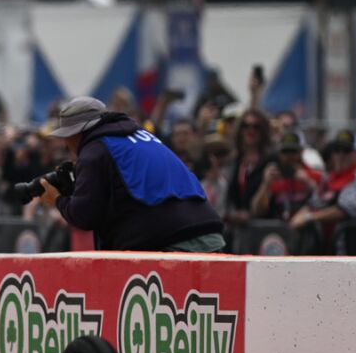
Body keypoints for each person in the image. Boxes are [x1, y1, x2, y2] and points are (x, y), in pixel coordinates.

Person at [36, 96, 225, 252]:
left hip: (175, 244)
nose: (64, 144)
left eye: (66, 136)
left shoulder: (94, 150)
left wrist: (57, 199)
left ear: (77, 132)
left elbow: (84, 216)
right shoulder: (139, 135)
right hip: (210, 235)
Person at [289, 130, 356, 253]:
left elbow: (342, 211)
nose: (340, 155)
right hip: (323, 250)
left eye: (346, 151)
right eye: (337, 150)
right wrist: (295, 221)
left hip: (350, 252)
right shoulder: (328, 179)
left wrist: (308, 217)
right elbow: (313, 203)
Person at [251, 131, 321, 222]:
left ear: (301, 152)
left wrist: (308, 183)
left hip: (305, 228)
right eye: (285, 151)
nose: (289, 156)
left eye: (293, 151)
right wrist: (265, 184)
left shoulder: (313, 175)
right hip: (278, 229)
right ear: (279, 153)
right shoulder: (273, 177)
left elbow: (323, 203)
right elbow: (257, 211)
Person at [222, 109, 273, 231]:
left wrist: (249, 215)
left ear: (263, 131)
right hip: (237, 231)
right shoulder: (235, 161)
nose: (250, 131)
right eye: (246, 126)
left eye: (256, 127)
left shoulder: (270, 161)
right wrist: (235, 214)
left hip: (265, 230)